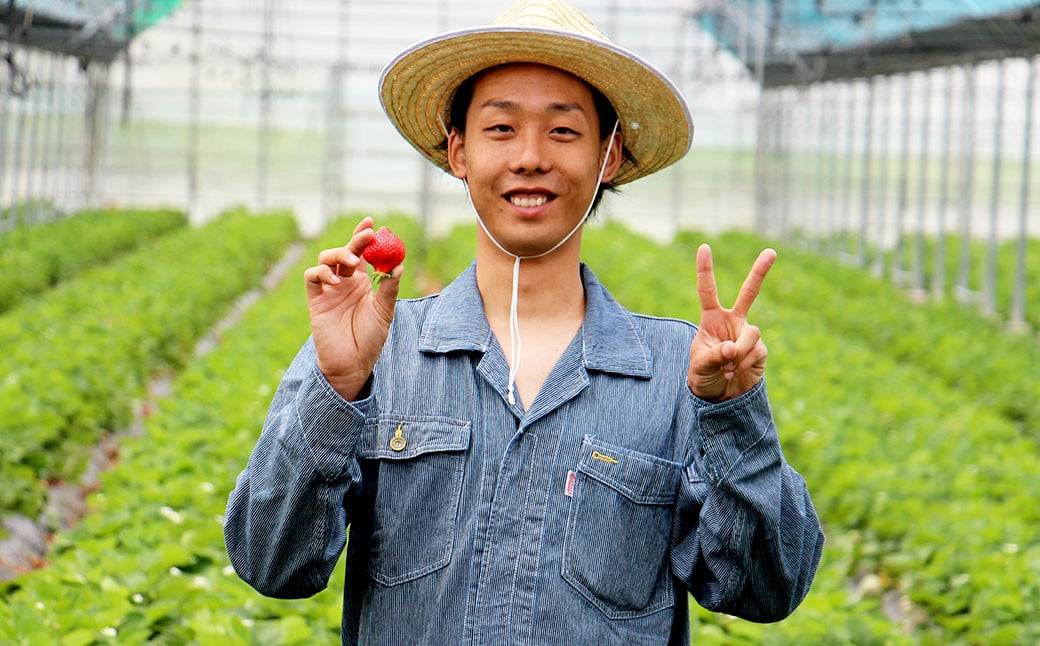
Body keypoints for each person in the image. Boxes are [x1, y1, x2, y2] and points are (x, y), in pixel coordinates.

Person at [224, 0, 824, 644]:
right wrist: (337, 388)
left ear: (609, 156)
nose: (531, 157)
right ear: (457, 150)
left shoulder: (679, 374)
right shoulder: (380, 357)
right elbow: (270, 563)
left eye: (563, 131)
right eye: (501, 129)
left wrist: (734, 416)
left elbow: (767, 590)